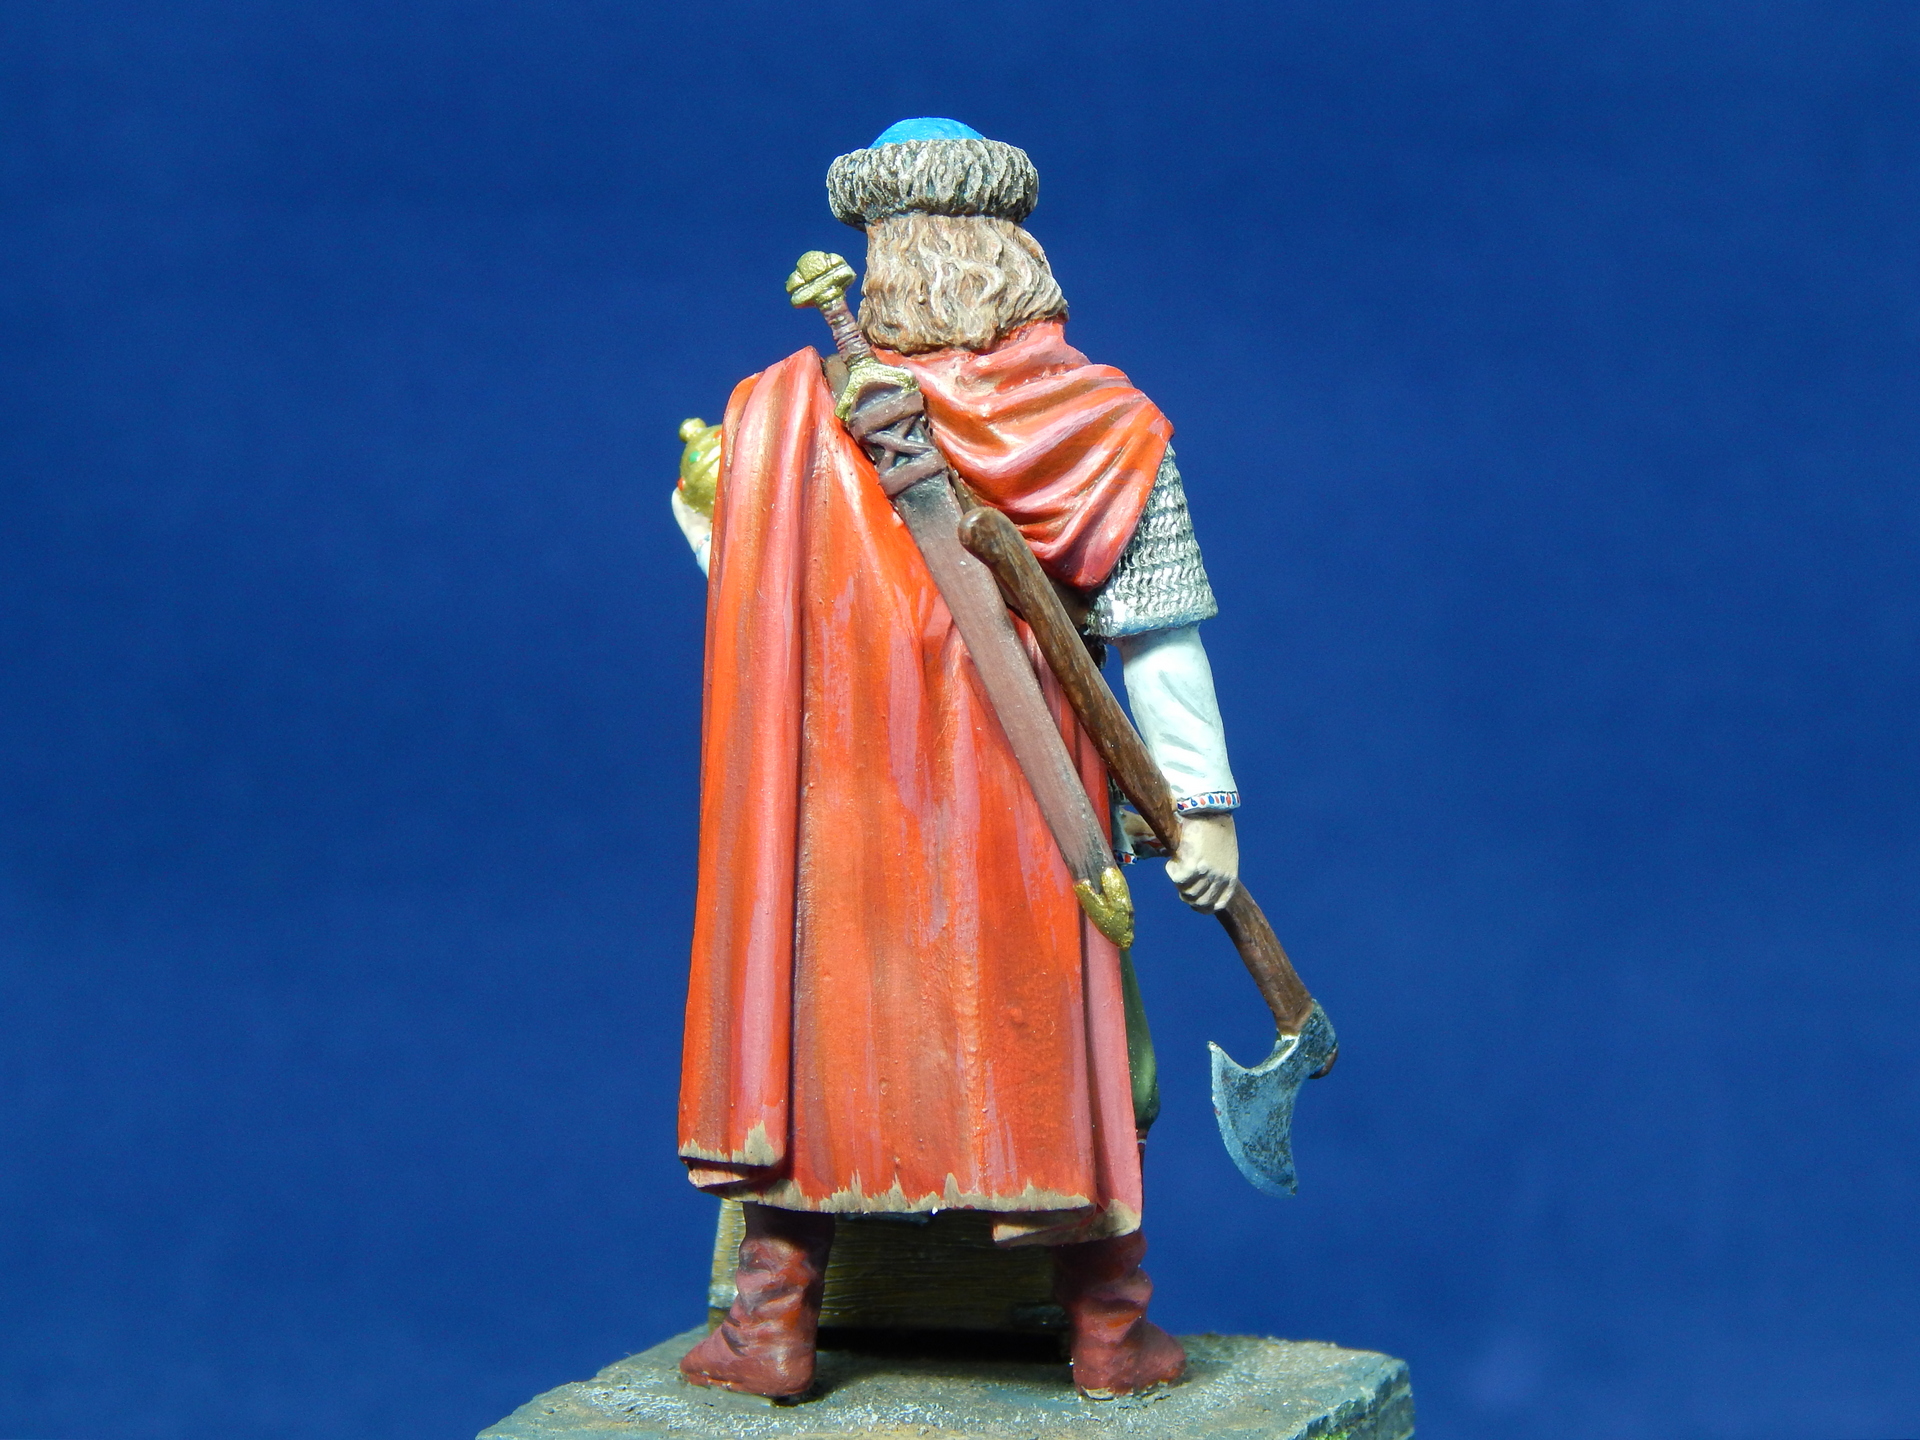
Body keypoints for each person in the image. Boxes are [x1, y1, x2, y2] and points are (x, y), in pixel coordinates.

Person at [668, 119, 1243, 1402]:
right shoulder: (1100, 424)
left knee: (819, 1033)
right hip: (1008, 813)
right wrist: (1204, 809)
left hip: (846, 812)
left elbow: (739, 583)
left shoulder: (775, 418)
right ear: (1016, 260)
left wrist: (712, 498)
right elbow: (1160, 638)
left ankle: (774, 1324)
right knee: (1063, 1042)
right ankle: (1108, 1330)